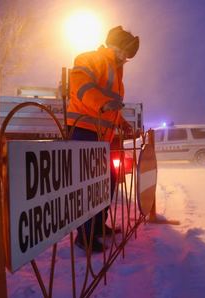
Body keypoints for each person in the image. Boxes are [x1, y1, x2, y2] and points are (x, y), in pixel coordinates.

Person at [67, 26, 139, 252]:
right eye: (123, 52)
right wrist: (102, 104)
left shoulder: (117, 71)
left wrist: (123, 124)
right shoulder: (89, 58)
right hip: (83, 131)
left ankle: (98, 226)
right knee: (89, 187)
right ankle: (84, 237)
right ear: (114, 45)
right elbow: (81, 87)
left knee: (106, 183)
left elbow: (113, 107)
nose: (125, 57)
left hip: (102, 136)